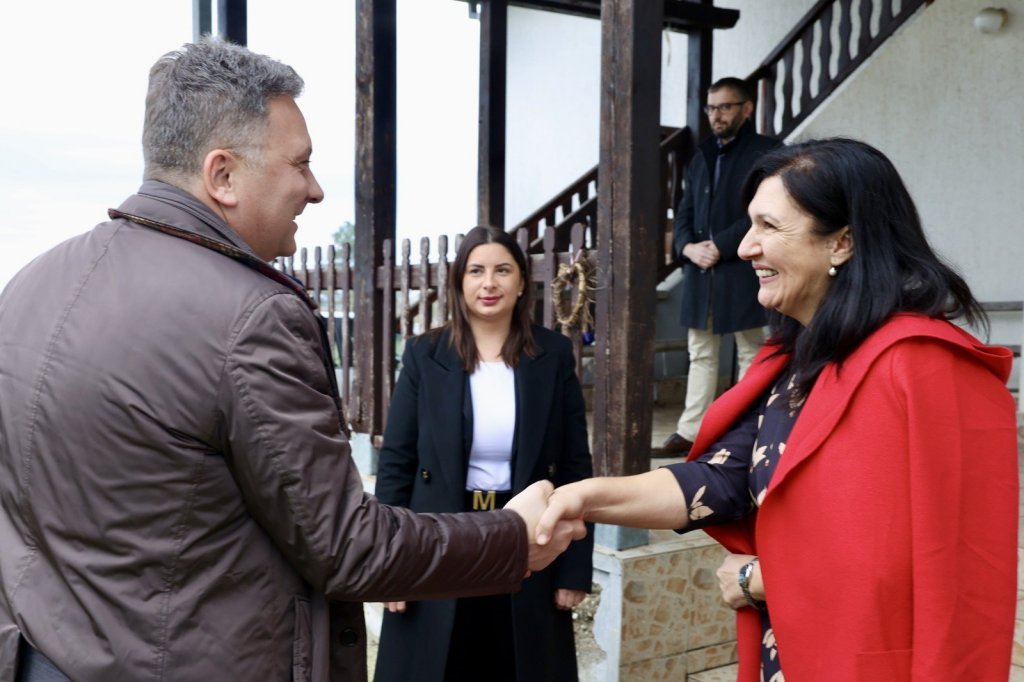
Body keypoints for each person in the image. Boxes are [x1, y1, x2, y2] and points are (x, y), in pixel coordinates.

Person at [0, 39, 584, 682]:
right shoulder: (249, 317)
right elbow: (347, 546)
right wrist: (512, 537)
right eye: (300, 163)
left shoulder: (30, 284)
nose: (316, 189)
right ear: (222, 175)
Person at [537, 138, 1019, 681]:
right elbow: (723, 479)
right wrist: (583, 498)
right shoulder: (797, 360)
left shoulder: (930, 368)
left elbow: (960, 574)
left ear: (842, 242)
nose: (746, 247)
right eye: (750, 225)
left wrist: (760, 579)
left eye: (768, 226)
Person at [373, 225, 594, 682]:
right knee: (442, 665)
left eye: (502, 270)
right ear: (459, 282)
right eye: (475, 271)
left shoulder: (552, 354)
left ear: (521, 282)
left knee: (514, 664)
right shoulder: (424, 354)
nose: (488, 283)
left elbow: (575, 465)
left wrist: (573, 568)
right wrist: (390, 566)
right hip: (437, 539)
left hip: (526, 537)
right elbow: (397, 464)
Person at [658, 77, 782, 457]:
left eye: (725, 107)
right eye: (712, 108)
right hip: (701, 271)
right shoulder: (702, 155)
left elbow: (767, 210)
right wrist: (687, 247)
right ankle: (690, 431)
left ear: (746, 109)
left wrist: (721, 245)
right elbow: (684, 212)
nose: (716, 115)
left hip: (744, 267)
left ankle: (744, 430)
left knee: (751, 351)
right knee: (701, 352)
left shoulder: (767, 152)